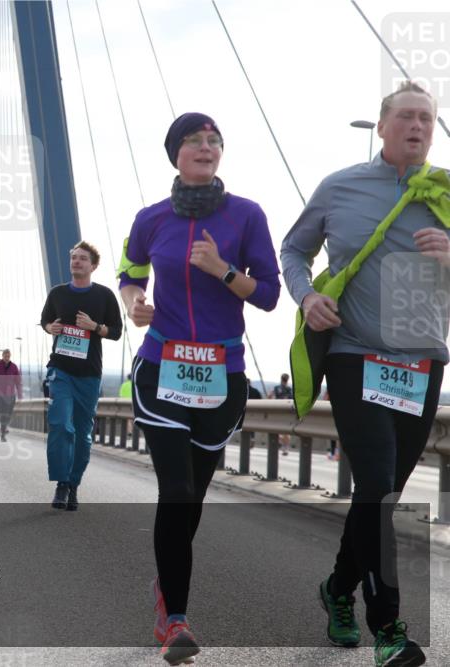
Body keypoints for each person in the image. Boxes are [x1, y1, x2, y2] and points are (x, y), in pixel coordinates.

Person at [280, 81, 447, 667]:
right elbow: (293, 251)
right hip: (356, 355)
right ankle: (390, 629)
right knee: (375, 485)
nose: (418, 127)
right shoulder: (340, 186)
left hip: (422, 361)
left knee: (381, 492)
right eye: (407, 116)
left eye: (427, 118)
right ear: (382, 126)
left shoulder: (447, 195)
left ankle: (336, 590)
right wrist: (306, 299)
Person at [119, 113, 280, 665]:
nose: (206, 147)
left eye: (214, 141)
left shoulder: (246, 215)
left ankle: (166, 585)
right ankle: (178, 620)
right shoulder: (151, 218)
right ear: (176, 154)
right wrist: (132, 304)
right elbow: (129, 272)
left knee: (194, 497)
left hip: (222, 375)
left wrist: (222, 270)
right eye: (194, 141)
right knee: (177, 489)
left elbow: (269, 295)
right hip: (161, 365)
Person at [41, 241, 122, 511]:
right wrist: (50, 327)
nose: (77, 262)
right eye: (74, 257)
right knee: (61, 425)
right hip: (60, 370)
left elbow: (116, 331)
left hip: (88, 374)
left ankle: (74, 484)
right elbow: (45, 321)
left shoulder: (105, 296)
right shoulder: (57, 294)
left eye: (83, 259)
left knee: (83, 434)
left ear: (93, 265)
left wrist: (95, 327)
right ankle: (61, 483)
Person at [0, 349, 23, 442]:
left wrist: (20, 396)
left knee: (6, 415)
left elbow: (18, 382)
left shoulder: (14, 367)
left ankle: (3, 434)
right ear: (2, 356)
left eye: (8, 356)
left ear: (10, 356)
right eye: (5, 356)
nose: (7, 358)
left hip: (9, 395)